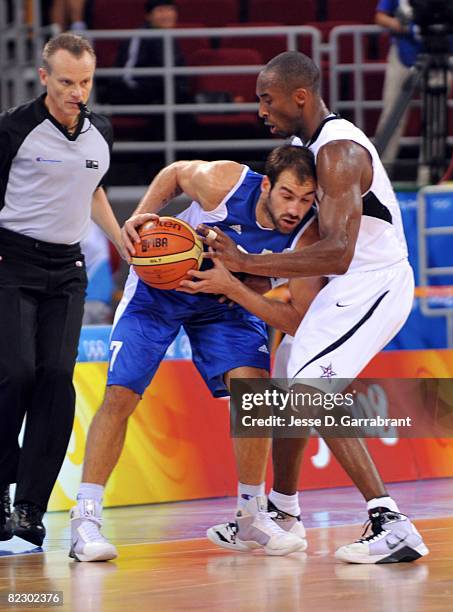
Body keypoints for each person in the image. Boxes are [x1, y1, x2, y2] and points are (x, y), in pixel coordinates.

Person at [193, 50, 429, 564]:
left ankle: (390, 521)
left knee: (304, 386)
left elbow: (341, 254)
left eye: (267, 98)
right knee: (285, 374)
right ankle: (282, 508)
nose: (260, 109)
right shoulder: (312, 147)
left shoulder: (338, 151)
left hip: (373, 282)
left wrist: (250, 261)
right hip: (354, 282)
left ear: (299, 96)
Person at [69, 144, 319, 562]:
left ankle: (250, 514)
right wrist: (139, 217)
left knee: (255, 394)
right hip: (159, 291)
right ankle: (86, 519)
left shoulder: (307, 234)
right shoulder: (226, 182)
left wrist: (237, 287)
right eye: (288, 195)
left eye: (306, 199)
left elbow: (296, 320)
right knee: (121, 393)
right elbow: (174, 173)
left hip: (223, 300)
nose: (296, 208)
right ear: (265, 186)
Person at [0, 33, 124, 547]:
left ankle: (30, 507)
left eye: (86, 82)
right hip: (10, 259)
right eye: (68, 81)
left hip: (67, 268)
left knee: (55, 377)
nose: (78, 92)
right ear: (44, 76)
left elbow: (91, 189)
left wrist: (122, 239)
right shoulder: (13, 130)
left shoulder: (102, 133)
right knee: (15, 372)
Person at [374, 0, 453, 178]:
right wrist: (399, 25)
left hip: (443, 55)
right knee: (392, 115)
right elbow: (380, 16)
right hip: (403, 56)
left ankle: (428, 175)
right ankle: (379, 173)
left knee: (435, 121)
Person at [105, 0, 188, 105]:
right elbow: (127, 75)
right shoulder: (140, 36)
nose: (166, 15)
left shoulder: (171, 38)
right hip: (137, 93)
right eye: (161, 11)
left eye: (170, 10)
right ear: (148, 16)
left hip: (164, 92)